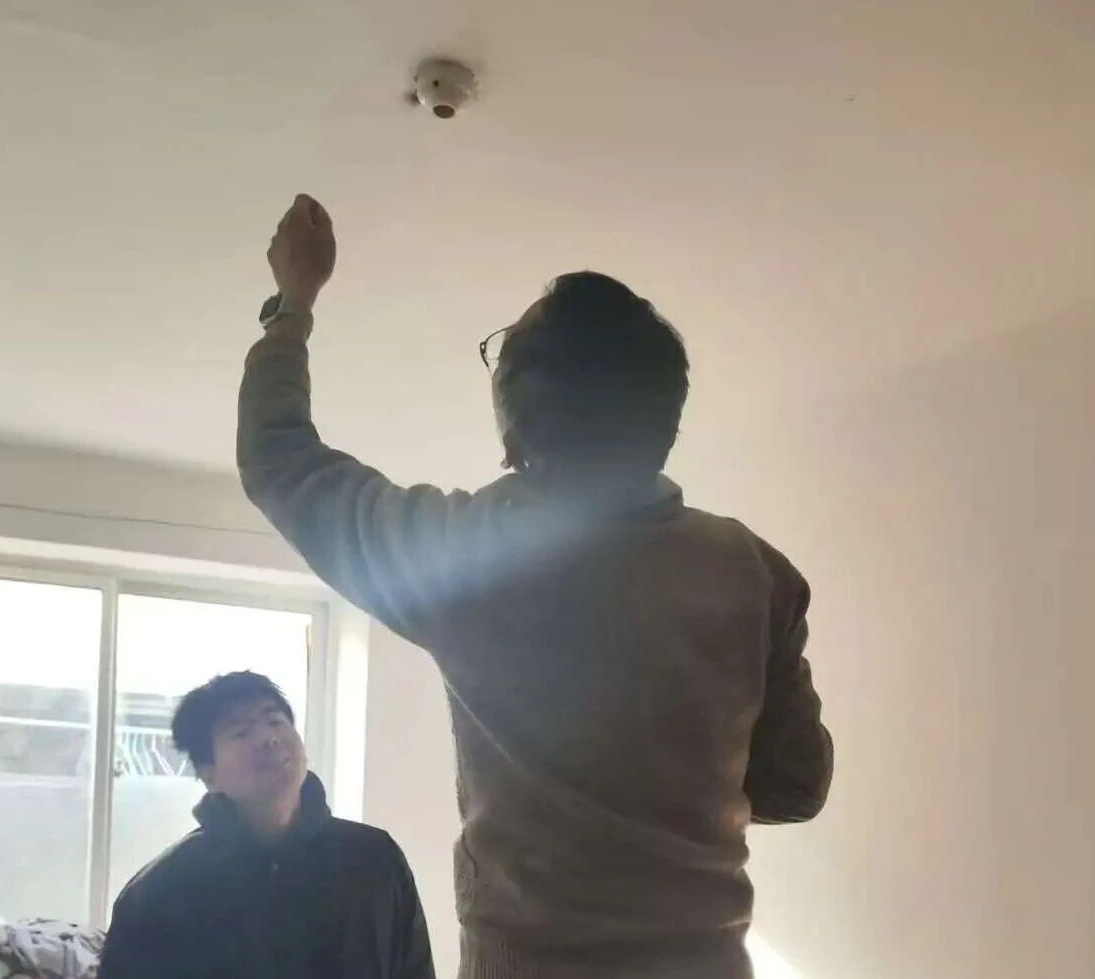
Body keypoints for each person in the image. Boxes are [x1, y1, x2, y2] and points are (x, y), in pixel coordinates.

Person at [238, 195, 833, 979]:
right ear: (664, 423)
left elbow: (279, 461)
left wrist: (293, 304)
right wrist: (672, 778)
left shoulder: (466, 556)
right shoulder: (753, 571)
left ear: (514, 429)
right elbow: (794, 784)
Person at [99, 671, 435, 979]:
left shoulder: (374, 859)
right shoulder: (157, 894)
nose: (269, 738)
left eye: (275, 721)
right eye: (241, 732)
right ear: (209, 774)